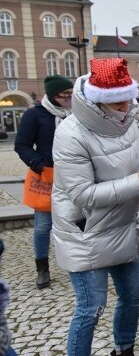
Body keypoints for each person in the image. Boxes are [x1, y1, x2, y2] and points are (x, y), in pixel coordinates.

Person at [52, 58, 139, 356]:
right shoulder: (70, 133)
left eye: (128, 100)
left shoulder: (127, 121)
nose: (125, 108)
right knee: (90, 306)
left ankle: (124, 355)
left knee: (131, 296)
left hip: (123, 225)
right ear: (97, 101)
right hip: (85, 231)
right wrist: (136, 184)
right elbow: (82, 194)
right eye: (117, 103)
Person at [14, 75, 73, 289]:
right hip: (47, 176)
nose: (68, 99)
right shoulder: (35, 115)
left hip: (75, 175)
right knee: (43, 226)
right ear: (52, 95)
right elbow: (22, 145)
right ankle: (42, 268)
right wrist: (38, 164)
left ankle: (82, 261)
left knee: (79, 221)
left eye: (70, 94)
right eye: (63, 95)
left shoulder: (77, 115)